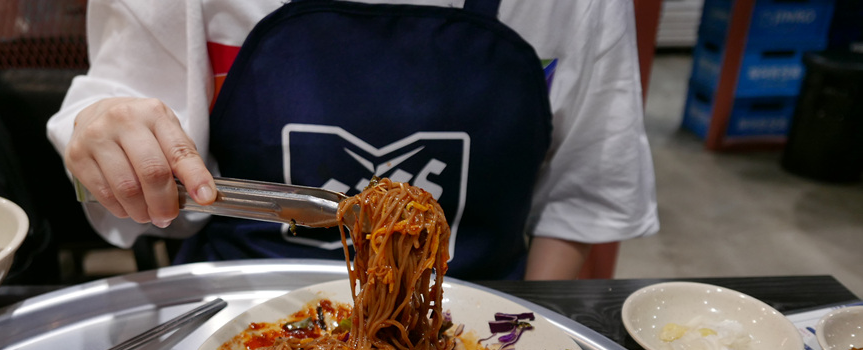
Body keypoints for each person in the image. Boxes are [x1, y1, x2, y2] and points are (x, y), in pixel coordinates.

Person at [47, 0, 658, 280]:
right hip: (241, 314)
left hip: (474, 318)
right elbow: (147, 206)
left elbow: (582, 201)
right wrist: (108, 141)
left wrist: (523, 345)